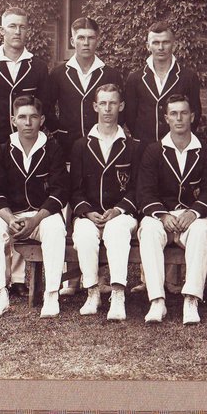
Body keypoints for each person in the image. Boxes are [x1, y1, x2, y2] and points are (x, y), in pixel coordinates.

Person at [0, 96, 68, 319]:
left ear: (42, 120)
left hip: (42, 217)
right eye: (22, 117)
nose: (28, 123)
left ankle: (51, 294)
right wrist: (9, 219)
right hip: (12, 216)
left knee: (56, 229)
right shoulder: (1, 151)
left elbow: (59, 192)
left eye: (33, 117)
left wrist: (35, 220)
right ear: (13, 120)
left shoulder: (53, 149)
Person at [137, 95, 207, 325]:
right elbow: (145, 192)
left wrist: (194, 212)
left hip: (192, 216)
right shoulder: (154, 150)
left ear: (192, 116)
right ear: (166, 118)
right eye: (173, 113)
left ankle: (191, 299)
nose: (179, 118)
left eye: (183, 113)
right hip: (162, 215)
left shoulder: (206, 151)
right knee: (149, 230)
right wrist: (161, 214)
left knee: (202, 231)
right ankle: (157, 300)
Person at [69, 84, 140, 321]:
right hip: (89, 214)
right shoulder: (81, 145)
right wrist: (87, 212)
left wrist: (118, 210)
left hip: (120, 215)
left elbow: (137, 189)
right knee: (85, 235)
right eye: (103, 103)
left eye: (112, 103)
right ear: (95, 106)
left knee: (117, 231)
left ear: (121, 106)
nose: (107, 109)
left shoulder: (132, 146)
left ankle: (118, 294)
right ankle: (92, 291)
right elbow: (74, 189)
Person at [0, 7, 53, 193]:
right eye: (12, 26)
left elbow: (44, 104)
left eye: (22, 27)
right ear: (1, 30)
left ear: (27, 31)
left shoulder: (38, 67)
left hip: (28, 142)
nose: (17, 31)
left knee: (24, 195)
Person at [46, 17, 124, 157]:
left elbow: (121, 110)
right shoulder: (59, 73)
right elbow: (47, 106)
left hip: (104, 146)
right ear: (72, 41)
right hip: (67, 146)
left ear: (97, 40)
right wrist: (58, 131)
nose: (86, 43)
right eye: (81, 38)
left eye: (91, 38)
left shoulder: (110, 74)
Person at [124, 20, 203, 145]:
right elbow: (130, 116)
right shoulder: (135, 78)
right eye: (155, 43)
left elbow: (195, 114)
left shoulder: (188, 77)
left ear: (174, 45)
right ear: (148, 46)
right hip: (144, 147)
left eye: (165, 42)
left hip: (177, 147)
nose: (160, 47)